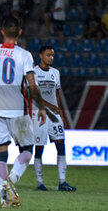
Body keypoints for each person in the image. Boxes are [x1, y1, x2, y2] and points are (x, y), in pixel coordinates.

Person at [0, 13, 46, 208]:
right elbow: (32, 86)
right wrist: (41, 107)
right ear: (20, 33)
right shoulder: (24, 55)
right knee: (26, 150)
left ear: (2, 32)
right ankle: (12, 179)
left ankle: (3, 198)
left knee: (0, 154)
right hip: (17, 111)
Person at [32, 46, 76, 192]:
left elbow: (57, 94)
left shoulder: (55, 73)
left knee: (61, 145)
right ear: (41, 56)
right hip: (40, 114)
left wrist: (61, 113)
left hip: (54, 115)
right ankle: (40, 183)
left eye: (52, 55)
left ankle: (62, 181)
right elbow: (34, 96)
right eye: (48, 55)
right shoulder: (33, 73)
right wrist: (51, 106)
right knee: (39, 148)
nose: (51, 57)